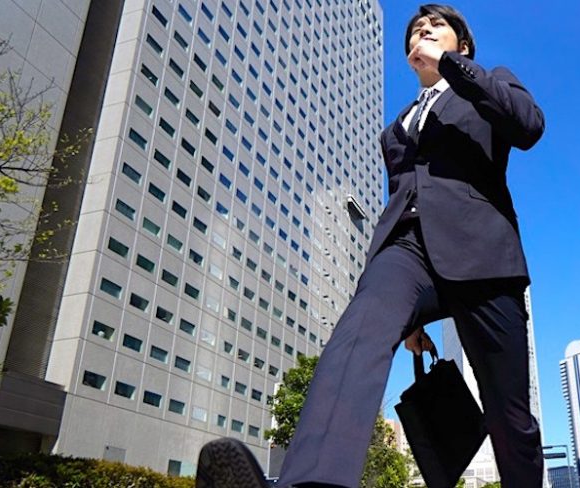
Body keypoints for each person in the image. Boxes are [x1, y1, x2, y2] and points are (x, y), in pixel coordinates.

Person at [195, 4, 545, 487]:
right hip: (406, 250)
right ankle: (313, 481)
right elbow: (405, 193)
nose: (422, 32)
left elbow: (528, 126)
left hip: (483, 256)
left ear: (462, 46)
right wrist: (410, 317)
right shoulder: (398, 127)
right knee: (357, 334)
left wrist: (450, 66)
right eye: (416, 30)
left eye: (436, 27)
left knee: (510, 416)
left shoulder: (488, 81)